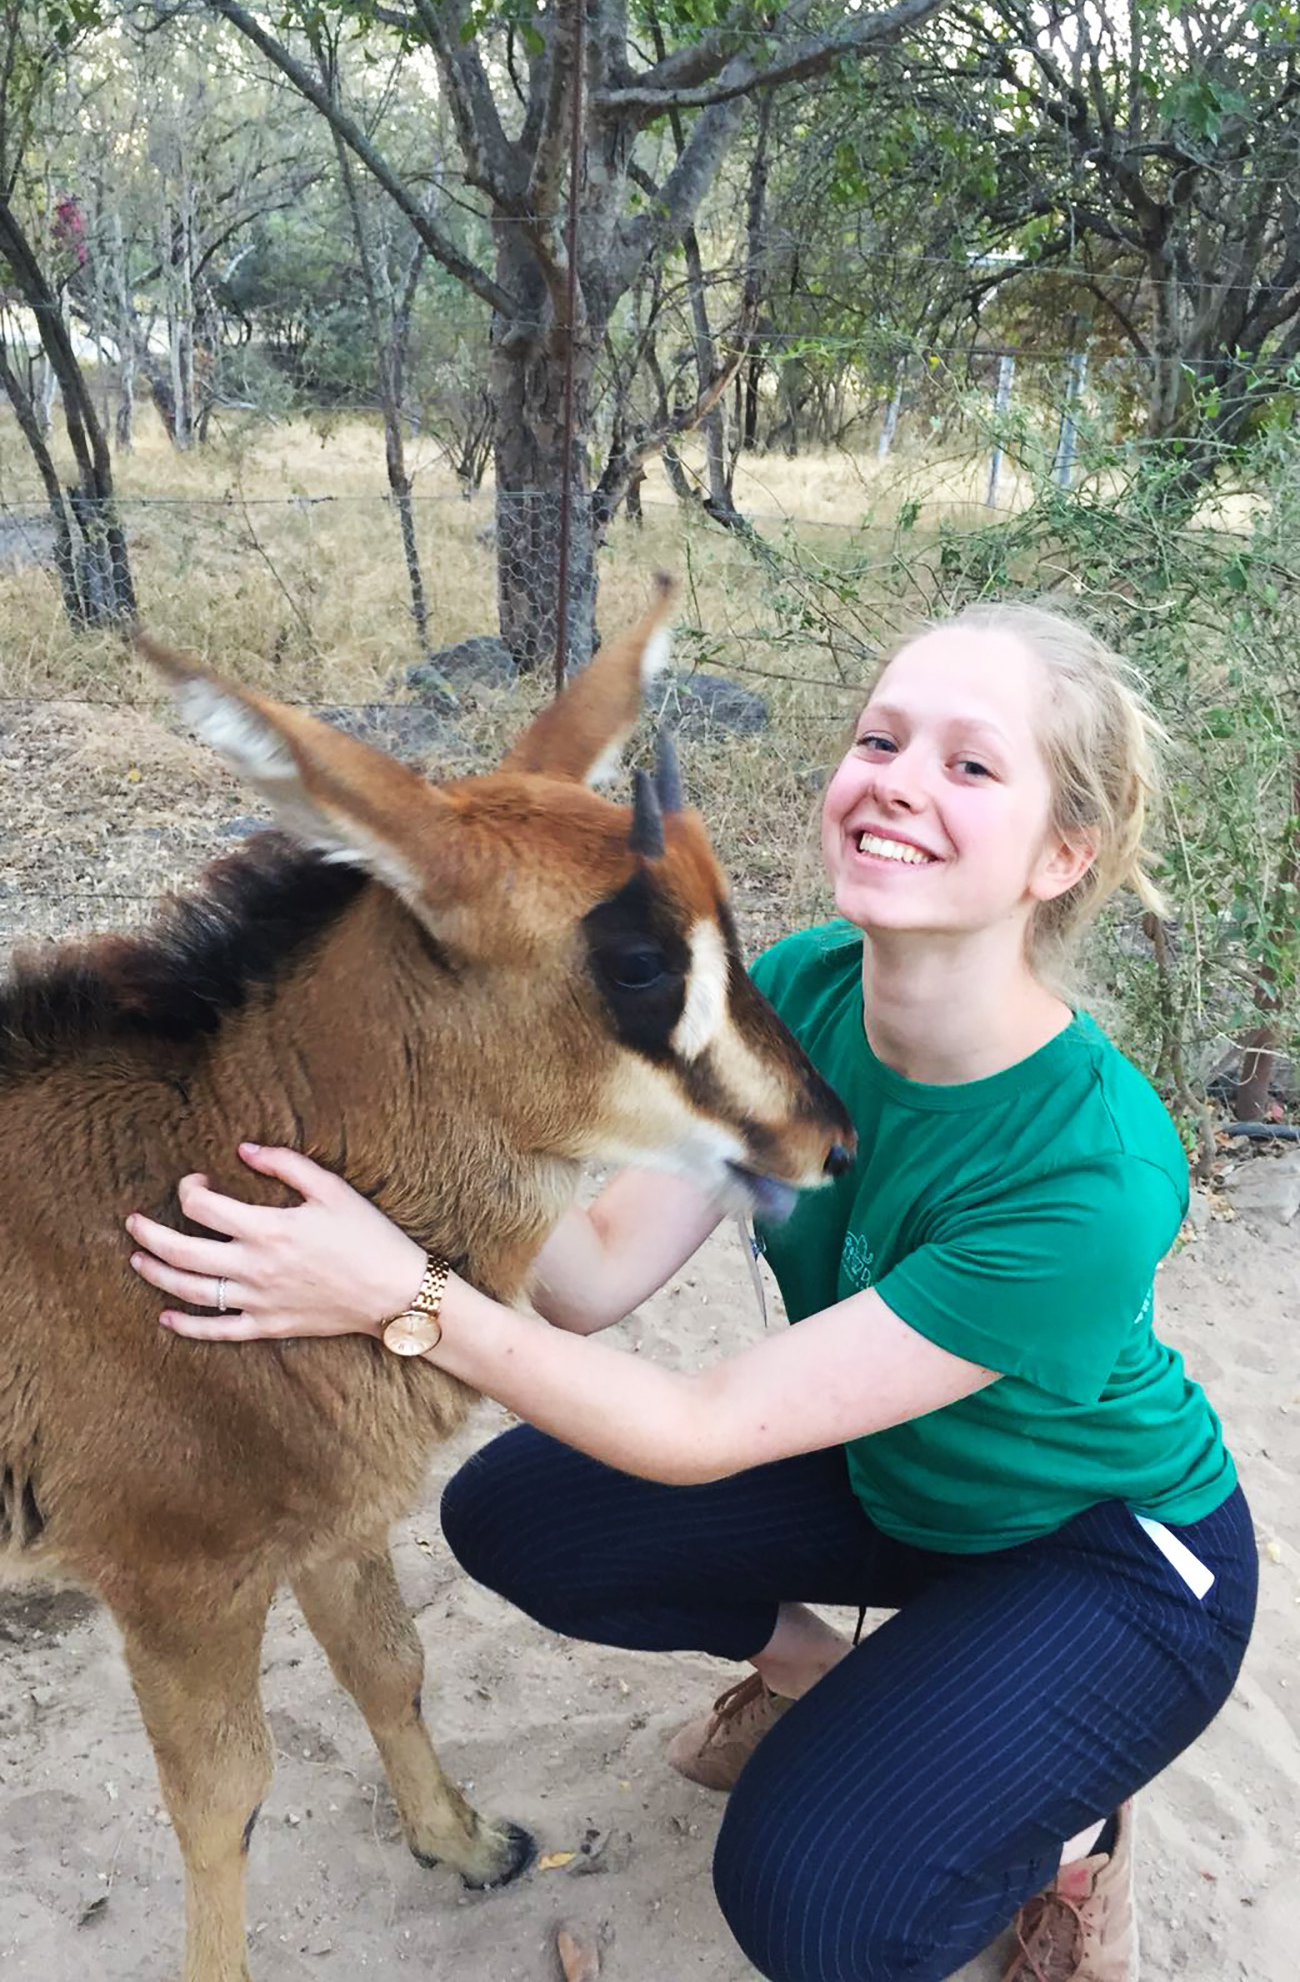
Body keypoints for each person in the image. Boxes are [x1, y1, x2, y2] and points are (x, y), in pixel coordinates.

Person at [126, 603, 1256, 1982]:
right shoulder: (803, 985)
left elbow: (702, 1427)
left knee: (817, 1905)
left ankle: (1073, 1828)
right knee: (520, 1514)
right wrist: (403, 1126)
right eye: (880, 741)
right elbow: (594, 1276)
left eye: (970, 765)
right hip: (900, 1478)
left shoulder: (1093, 1169)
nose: (898, 781)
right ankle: (818, 1676)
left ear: (1061, 854)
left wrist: (398, 1290)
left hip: (1103, 1551)